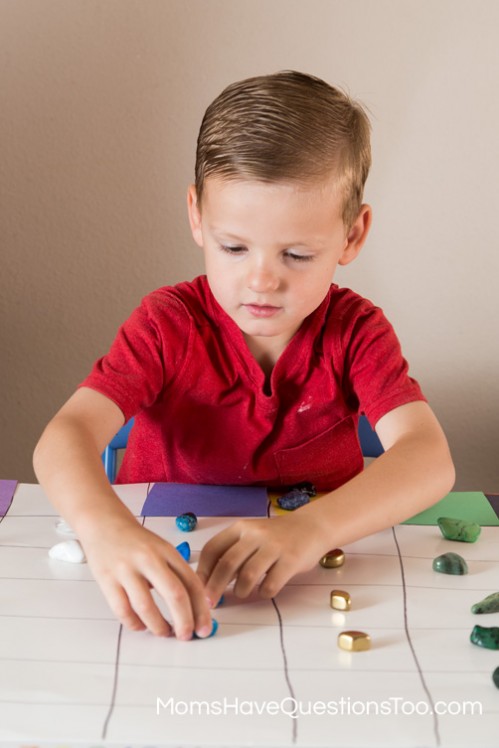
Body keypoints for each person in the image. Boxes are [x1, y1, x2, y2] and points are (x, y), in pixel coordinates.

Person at [33, 71, 455, 640]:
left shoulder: (357, 331)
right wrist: (105, 528)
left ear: (352, 236)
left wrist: (310, 530)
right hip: (164, 582)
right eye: (233, 247)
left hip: (311, 595)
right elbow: (66, 434)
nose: (262, 280)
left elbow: (430, 458)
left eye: (298, 255)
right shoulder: (166, 324)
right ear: (197, 217)